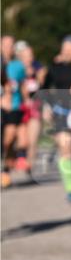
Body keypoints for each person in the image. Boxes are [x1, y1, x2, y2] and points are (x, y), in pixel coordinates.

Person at [43, 35, 71, 202]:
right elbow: (45, 88)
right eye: (64, 48)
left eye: (70, 49)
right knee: (65, 146)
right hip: (60, 111)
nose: (67, 52)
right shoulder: (54, 67)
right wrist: (47, 107)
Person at [15, 40, 46, 176]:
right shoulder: (15, 69)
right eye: (26, 55)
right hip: (19, 108)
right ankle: (19, 158)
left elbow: (42, 85)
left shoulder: (38, 68)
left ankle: (30, 167)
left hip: (35, 108)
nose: (29, 58)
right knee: (23, 140)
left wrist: (39, 76)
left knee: (33, 140)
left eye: (31, 55)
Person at [1, 35, 27, 185]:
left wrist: (27, 100)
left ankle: (6, 169)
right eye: (5, 44)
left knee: (10, 138)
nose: (8, 48)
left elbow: (22, 84)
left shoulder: (18, 65)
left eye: (11, 45)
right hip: (3, 105)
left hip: (15, 106)